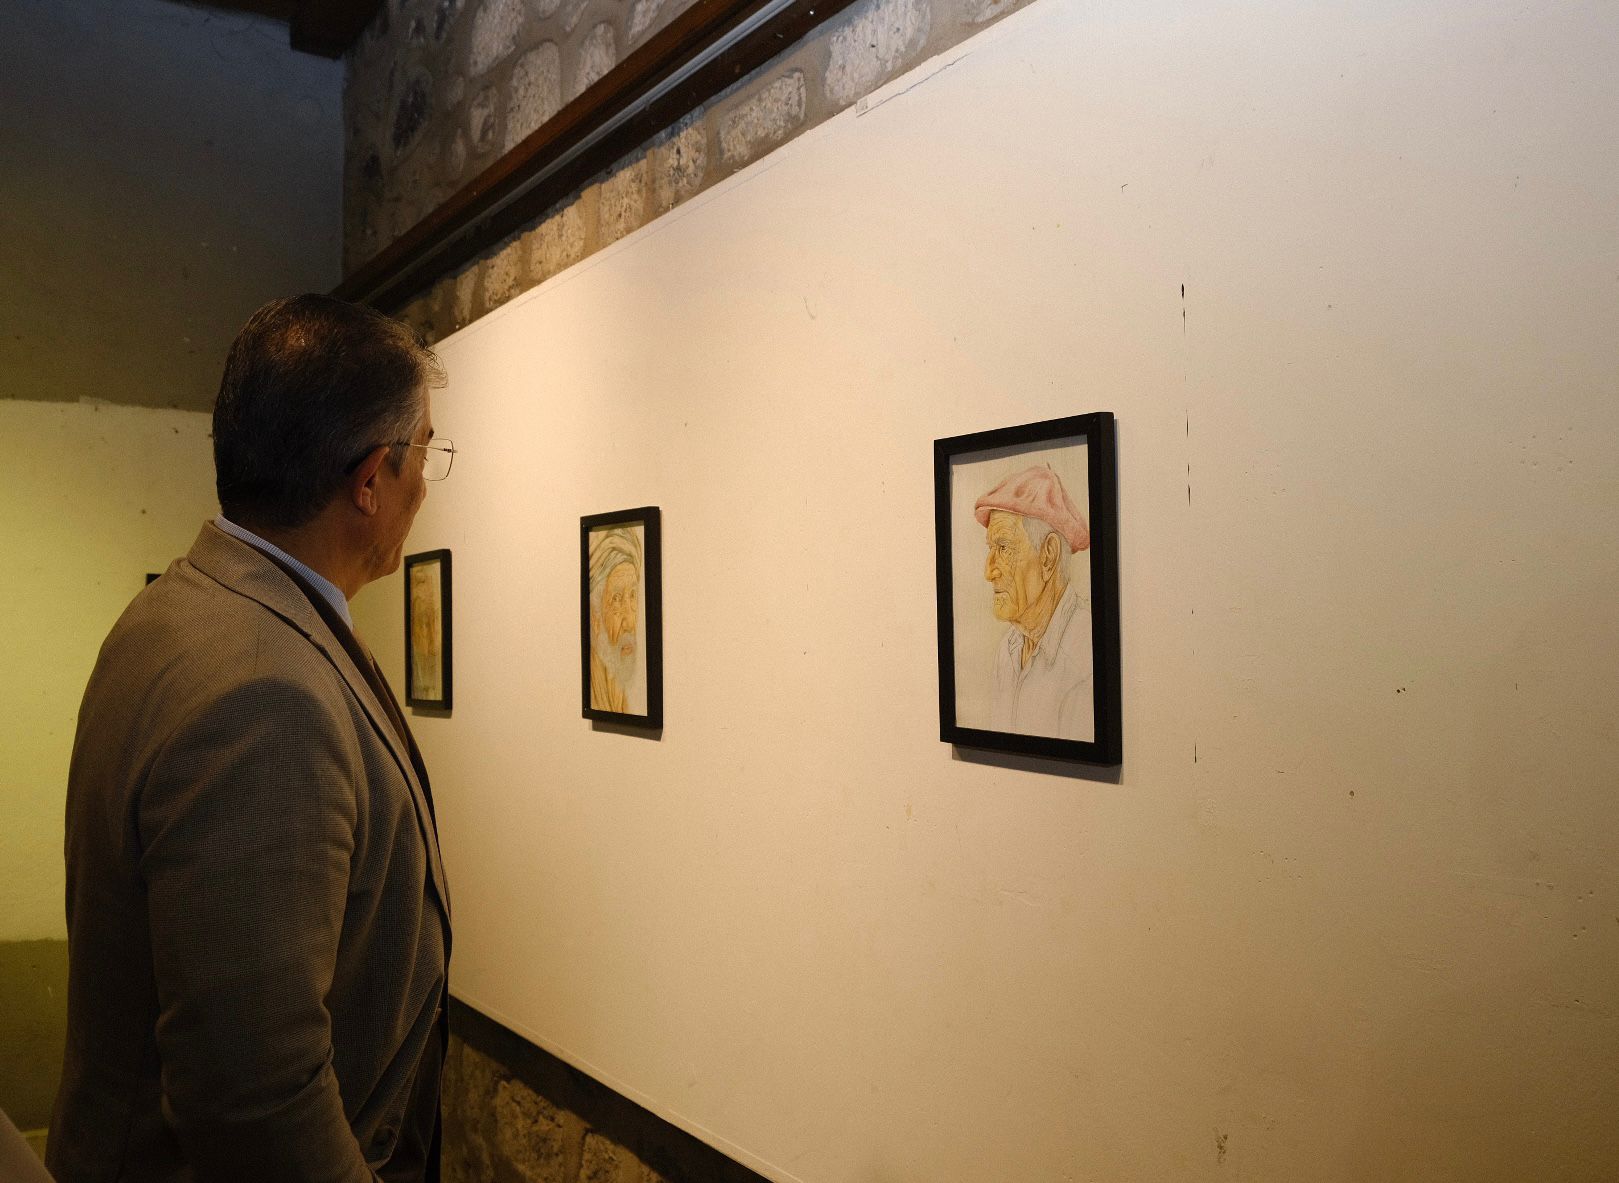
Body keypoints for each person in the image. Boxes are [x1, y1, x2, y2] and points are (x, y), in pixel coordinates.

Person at [50, 295, 454, 1183]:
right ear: (370, 480)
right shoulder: (264, 692)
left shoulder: (180, 608)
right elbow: (256, 1097)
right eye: (425, 452)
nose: (427, 484)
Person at [975, 464, 1094, 741]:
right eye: (991, 548)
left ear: (1048, 556)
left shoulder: (1085, 657)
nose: (989, 571)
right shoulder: (1008, 650)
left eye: (1004, 548)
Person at [587, 527, 642, 712]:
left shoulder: (621, 703)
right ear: (594, 616)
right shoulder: (595, 698)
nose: (630, 623)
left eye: (633, 595)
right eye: (616, 599)